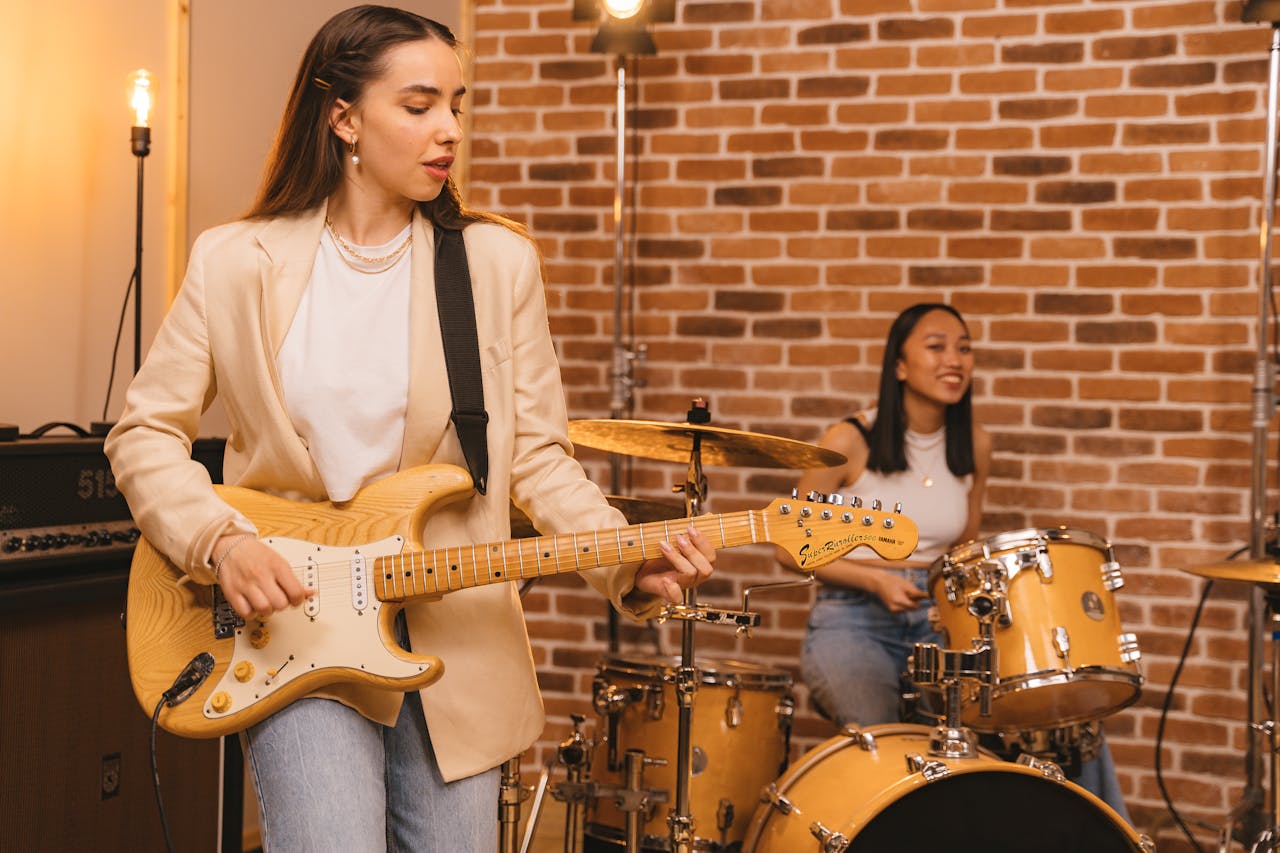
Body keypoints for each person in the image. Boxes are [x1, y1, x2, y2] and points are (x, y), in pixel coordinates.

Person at [104, 7, 715, 851]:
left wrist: (624, 559)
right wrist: (220, 540)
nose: (449, 130)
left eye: (457, 105)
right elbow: (143, 435)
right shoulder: (234, 260)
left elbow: (535, 457)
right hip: (291, 632)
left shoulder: (496, 264)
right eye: (420, 105)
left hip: (455, 642)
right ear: (344, 117)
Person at [791, 302, 1132, 824]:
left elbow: (962, 547)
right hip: (853, 617)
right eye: (937, 346)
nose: (955, 360)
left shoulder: (973, 445)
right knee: (882, 741)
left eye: (965, 348)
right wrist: (874, 579)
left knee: (1043, 721)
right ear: (899, 366)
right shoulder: (847, 441)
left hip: (936, 620)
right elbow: (789, 547)